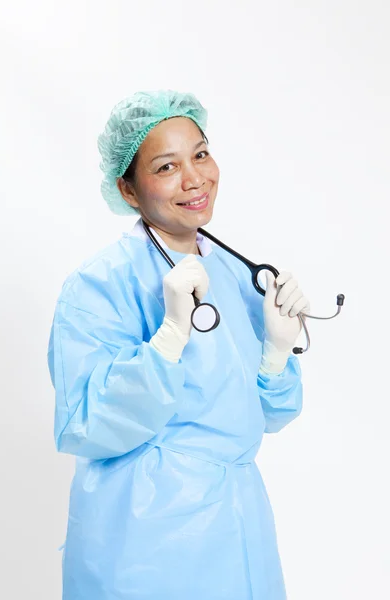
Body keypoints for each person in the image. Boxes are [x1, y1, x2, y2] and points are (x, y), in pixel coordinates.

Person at [47, 89, 310, 600]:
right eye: (166, 167)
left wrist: (276, 353)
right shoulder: (97, 285)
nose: (195, 179)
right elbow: (83, 425)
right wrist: (167, 341)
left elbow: (268, 414)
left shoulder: (233, 271)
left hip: (239, 520)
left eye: (201, 154)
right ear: (127, 190)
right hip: (147, 532)